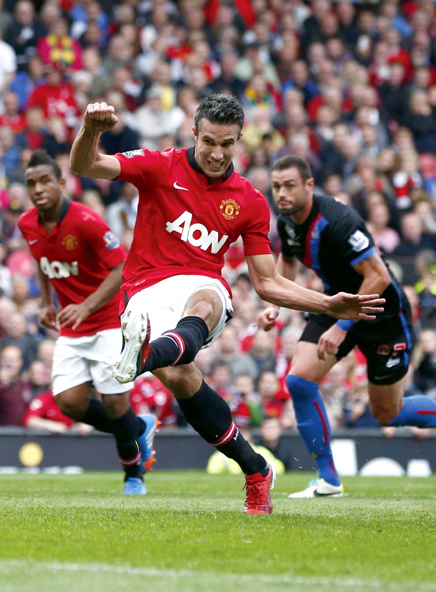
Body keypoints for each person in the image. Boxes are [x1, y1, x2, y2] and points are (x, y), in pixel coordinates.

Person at [69, 94, 384, 515]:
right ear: (194, 134)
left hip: (203, 283)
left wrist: (328, 304)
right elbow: (84, 166)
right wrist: (91, 129)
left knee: (203, 301)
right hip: (144, 288)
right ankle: (256, 468)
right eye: (210, 142)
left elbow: (268, 282)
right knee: (182, 378)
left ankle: (142, 354)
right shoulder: (159, 165)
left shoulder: (250, 201)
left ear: (239, 141)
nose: (218, 153)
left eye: (228, 144)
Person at [261, 155, 436, 498]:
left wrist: (342, 327)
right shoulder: (287, 221)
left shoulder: (339, 220)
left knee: (388, 413)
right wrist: (274, 306)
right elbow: (289, 263)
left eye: (289, 186)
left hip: (381, 313)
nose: (281, 193)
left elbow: (379, 276)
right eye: (277, 186)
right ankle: (328, 480)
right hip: (338, 302)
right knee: (299, 380)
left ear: (309, 185)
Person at [18, 150, 158, 494]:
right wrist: (46, 303)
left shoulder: (86, 220)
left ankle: (133, 476)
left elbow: (120, 267)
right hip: (72, 325)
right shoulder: (27, 223)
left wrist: (85, 305)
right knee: (69, 402)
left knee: (113, 402)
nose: (38, 189)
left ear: (62, 183)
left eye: (45, 181)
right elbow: (42, 260)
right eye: (31, 183)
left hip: (109, 320)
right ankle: (139, 426)